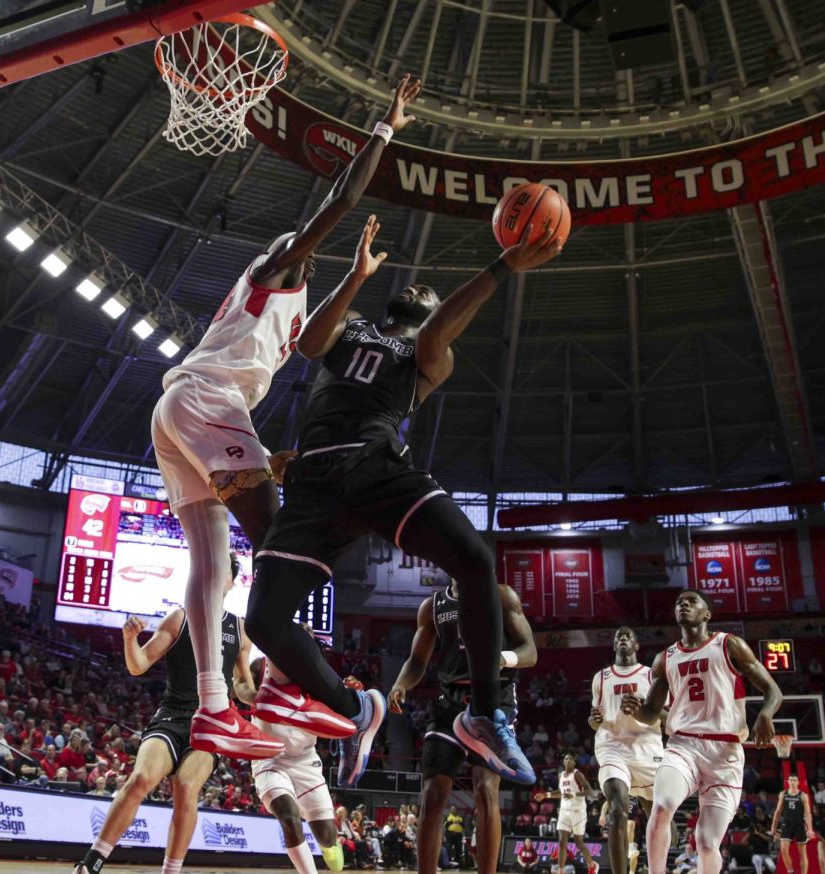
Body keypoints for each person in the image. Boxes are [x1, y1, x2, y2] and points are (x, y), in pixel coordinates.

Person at [149, 73, 422, 761]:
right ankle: (282, 685)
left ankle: (213, 708)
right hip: (206, 401)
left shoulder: (292, 308)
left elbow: (257, 361)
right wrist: (384, 129)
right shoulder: (278, 266)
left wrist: (356, 278)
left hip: (184, 409)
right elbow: (342, 197)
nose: (309, 245)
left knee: (214, 564)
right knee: (288, 542)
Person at [247, 200, 563, 789]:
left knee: (476, 560)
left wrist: (503, 266)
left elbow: (440, 328)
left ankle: (485, 714)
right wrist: (356, 277)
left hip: (376, 467)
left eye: (431, 293)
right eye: (416, 287)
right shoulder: (356, 325)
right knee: (264, 620)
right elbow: (311, 343)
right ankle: (353, 709)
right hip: (313, 477)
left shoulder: (431, 354)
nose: (419, 286)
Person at [73, 559, 255, 874]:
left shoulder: (238, 629)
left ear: (230, 583)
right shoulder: (180, 618)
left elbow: (242, 685)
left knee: (186, 786)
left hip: (211, 724)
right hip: (172, 716)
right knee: (140, 779)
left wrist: (258, 698)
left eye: (220, 574)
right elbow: (138, 665)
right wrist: (130, 641)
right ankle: (91, 864)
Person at [624, 590, 783, 874]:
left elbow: (773, 690)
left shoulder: (729, 645)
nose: (683, 604)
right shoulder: (665, 659)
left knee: (707, 842)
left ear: (707, 614)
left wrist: (765, 714)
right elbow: (650, 713)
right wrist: (636, 709)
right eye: (679, 602)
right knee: (662, 807)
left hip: (725, 753)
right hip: (683, 745)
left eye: (691, 601)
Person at [388, 577, 537, 874]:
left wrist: (503, 658)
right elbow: (417, 661)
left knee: (485, 789)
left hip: (493, 698)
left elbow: (529, 651)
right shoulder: (432, 606)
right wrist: (400, 684)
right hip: (449, 701)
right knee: (432, 793)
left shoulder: (501, 595)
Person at [246, 658, 344, 874]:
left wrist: (352, 692)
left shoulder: (319, 675)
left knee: (327, 838)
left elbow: (342, 706)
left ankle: (330, 845)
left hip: (305, 761)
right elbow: (240, 688)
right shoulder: (260, 667)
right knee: (289, 817)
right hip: (270, 758)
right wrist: (255, 698)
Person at [590, 627, 665, 874]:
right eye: (617, 637)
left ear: (636, 646)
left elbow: (669, 716)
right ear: (614, 646)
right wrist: (595, 719)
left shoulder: (651, 674)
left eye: (627, 636)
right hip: (612, 746)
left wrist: (644, 707)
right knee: (616, 808)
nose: (622, 638)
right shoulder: (600, 678)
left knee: (661, 821)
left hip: (647, 749)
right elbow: (594, 722)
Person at [540, 754, 599, 874]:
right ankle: (560, 871)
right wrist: (546, 795)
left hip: (578, 811)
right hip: (564, 811)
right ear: (563, 762)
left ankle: (591, 865)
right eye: (566, 758)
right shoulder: (560, 775)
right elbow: (560, 792)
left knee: (578, 842)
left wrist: (574, 794)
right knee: (562, 842)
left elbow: (589, 791)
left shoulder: (577, 774)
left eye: (570, 758)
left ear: (574, 762)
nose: (568, 760)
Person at [771, 776, 813, 874]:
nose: (792, 782)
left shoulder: (803, 795)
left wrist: (810, 829)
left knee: (802, 853)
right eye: (791, 780)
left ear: (798, 782)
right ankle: (791, 871)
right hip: (786, 824)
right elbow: (778, 811)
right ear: (787, 781)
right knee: (784, 851)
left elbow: (807, 813)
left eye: (794, 780)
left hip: (799, 825)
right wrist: (773, 827)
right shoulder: (783, 794)